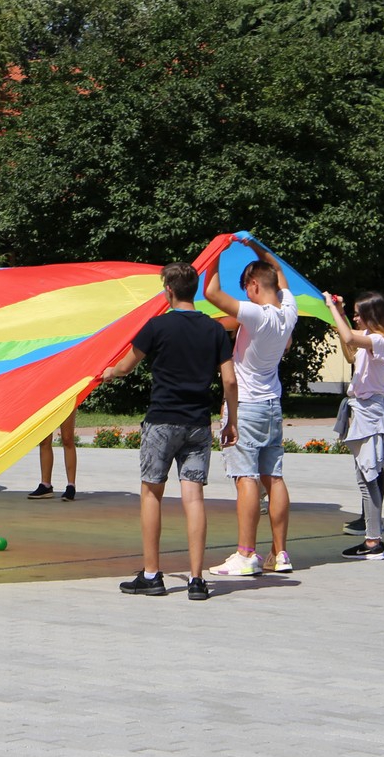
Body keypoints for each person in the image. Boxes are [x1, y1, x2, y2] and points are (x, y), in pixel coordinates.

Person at [103, 262, 237, 601]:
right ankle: (196, 580)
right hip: (198, 424)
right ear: (194, 290)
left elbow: (126, 366)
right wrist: (231, 420)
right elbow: (230, 380)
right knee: (194, 498)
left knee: (152, 493)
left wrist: (109, 372)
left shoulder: (157, 326)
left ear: (169, 291)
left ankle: (152, 575)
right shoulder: (215, 330)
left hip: (162, 421)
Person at [204, 237, 299, 578]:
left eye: (246, 288)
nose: (245, 294)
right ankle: (280, 553)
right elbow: (279, 273)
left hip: (245, 406)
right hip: (272, 405)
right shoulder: (290, 310)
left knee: (245, 478)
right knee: (274, 478)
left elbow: (212, 293)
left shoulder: (257, 315)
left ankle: (246, 554)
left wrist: (215, 253)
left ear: (255, 285)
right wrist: (257, 247)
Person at [326, 291, 384, 561]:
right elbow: (348, 341)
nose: (356, 318)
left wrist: (331, 307)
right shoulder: (372, 339)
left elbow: (349, 338)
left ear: (372, 316)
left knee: (368, 479)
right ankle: (372, 538)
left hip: (370, 415)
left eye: (359, 314)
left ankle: (373, 542)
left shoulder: (379, 341)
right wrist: (340, 312)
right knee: (365, 478)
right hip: (363, 412)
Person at [27, 411, 78, 501]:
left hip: (65, 402)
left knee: (67, 438)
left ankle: (71, 486)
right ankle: (45, 485)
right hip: (45, 402)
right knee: (44, 440)